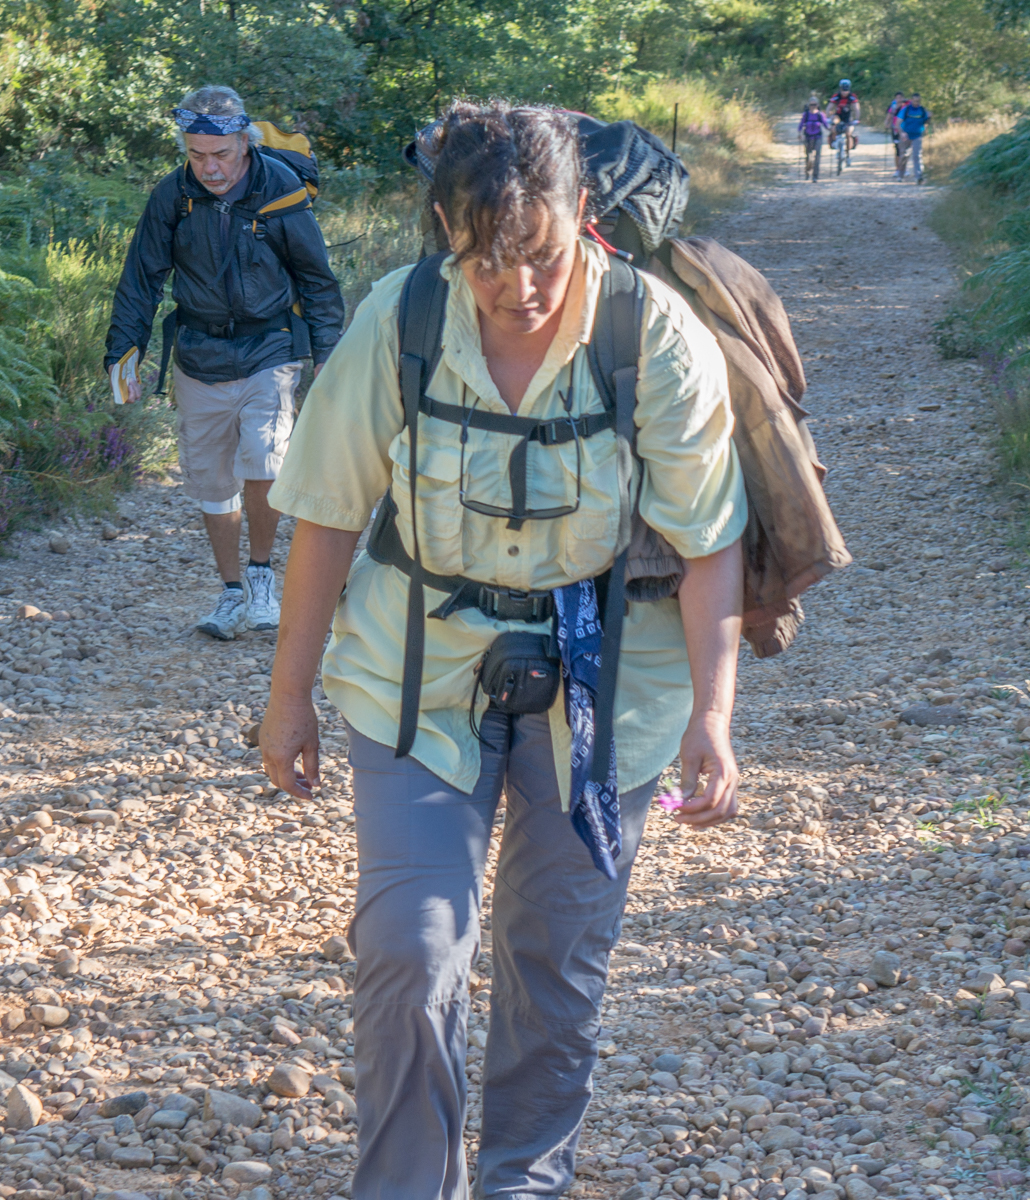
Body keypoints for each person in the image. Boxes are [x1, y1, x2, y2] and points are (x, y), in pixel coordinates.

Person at [260, 100, 747, 1199]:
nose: (516, 289)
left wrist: (713, 720)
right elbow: (329, 514)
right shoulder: (401, 317)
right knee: (409, 948)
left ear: (581, 212)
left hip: (611, 688)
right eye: (483, 261)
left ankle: (524, 1181)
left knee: (556, 965)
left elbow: (712, 540)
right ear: (443, 224)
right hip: (412, 674)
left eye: (538, 256)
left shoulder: (650, 332)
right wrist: (287, 697)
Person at [105, 85, 345, 640]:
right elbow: (141, 277)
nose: (209, 168)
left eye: (221, 155)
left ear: (244, 141)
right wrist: (124, 353)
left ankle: (262, 574)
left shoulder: (279, 190)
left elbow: (317, 280)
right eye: (197, 155)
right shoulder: (174, 196)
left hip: (271, 346)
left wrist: (330, 360)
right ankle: (232, 589)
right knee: (213, 481)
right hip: (199, 351)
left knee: (264, 458)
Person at [897, 92, 931, 183]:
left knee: (917, 156)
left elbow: (926, 122)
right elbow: (898, 123)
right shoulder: (906, 109)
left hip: (917, 135)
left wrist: (929, 117)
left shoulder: (922, 110)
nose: (916, 103)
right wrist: (902, 133)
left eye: (918, 101)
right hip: (906, 135)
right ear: (912, 100)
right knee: (904, 155)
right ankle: (900, 175)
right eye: (915, 101)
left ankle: (919, 176)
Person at [799, 100, 830, 181]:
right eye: (811, 105)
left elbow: (825, 124)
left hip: (818, 137)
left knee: (817, 157)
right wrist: (799, 133)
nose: (813, 106)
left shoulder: (820, 114)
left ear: (817, 105)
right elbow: (801, 124)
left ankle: (815, 176)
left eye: (814, 104)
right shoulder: (806, 115)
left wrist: (831, 130)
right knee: (809, 157)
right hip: (808, 137)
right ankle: (807, 171)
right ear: (808, 105)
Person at [827, 79, 861, 153]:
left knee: (848, 133)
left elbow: (857, 109)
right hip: (838, 117)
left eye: (846, 90)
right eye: (843, 90)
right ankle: (834, 142)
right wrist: (828, 118)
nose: (844, 92)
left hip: (848, 117)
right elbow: (829, 107)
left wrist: (857, 119)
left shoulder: (852, 97)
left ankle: (847, 152)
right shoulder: (836, 96)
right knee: (833, 128)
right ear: (840, 88)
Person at [884, 91, 907, 173]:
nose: (899, 99)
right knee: (897, 150)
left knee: (904, 150)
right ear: (895, 99)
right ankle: (898, 168)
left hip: (904, 130)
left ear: (903, 98)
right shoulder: (893, 107)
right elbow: (889, 116)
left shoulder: (906, 107)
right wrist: (886, 123)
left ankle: (903, 169)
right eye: (897, 98)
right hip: (895, 130)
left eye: (900, 97)